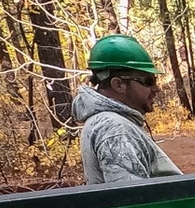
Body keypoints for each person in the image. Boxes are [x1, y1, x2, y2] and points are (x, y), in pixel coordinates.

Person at [74, 34, 183, 185]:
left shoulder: (108, 122)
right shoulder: (115, 129)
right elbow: (133, 202)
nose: (156, 88)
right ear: (118, 85)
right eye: (148, 81)